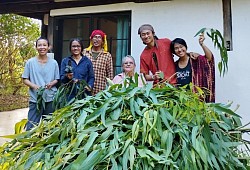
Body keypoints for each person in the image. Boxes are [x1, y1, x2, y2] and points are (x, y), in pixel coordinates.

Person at [22, 37, 60, 130]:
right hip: (35, 99)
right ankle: (29, 143)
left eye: (44, 45)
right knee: (31, 125)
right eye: (39, 45)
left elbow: (57, 79)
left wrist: (52, 83)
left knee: (48, 126)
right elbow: (25, 79)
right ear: (36, 47)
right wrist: (34, 86)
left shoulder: (54, 63)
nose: (42, 47)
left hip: (50, 98)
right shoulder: (30, 62)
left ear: (48, 47)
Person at [170, 33, 215, 102]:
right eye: (176, 48)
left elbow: (209, 58)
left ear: (185, 47)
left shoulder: (195, 60)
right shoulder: (174, 65)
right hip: (181, 100)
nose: (179, 50)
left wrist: (202, 44)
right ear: (174, 52)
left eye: (181, 46)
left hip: (196, 99)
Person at [83, 30, 113, 95]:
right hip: (86, 89)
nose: (96, 39)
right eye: (95, 37)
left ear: (102, 41)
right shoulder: (85, 53)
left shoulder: (107, 55)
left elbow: (110, 75)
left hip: (101, 91)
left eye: (99, 37)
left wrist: (110, 90)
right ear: (91, 39)